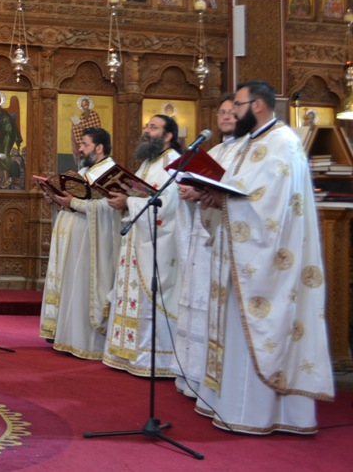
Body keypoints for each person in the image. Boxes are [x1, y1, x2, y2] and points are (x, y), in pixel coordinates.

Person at [190, 81, 333, 433]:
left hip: (268, 260)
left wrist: (223, 199)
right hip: (238, 254)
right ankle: (228, 403)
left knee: (259, 330)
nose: (232, 112)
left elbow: (271, 205)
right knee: (232, 331)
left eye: (237, 105)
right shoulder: (248, 143)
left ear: (257, 105)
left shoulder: (283, 143)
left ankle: (257, 413)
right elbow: (238, 192)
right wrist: (212, 196)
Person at [103, 114, 182, 377]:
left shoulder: (173, 163)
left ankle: (151, 358)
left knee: (152, 300)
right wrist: (123, 198)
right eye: (146, 126)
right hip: (137, 242)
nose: (146, 130)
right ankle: (126, 353)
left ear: (168, 135)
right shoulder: (148, 163)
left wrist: (128, 202)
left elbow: (167, 208)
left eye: (153, 127)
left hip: (156, 246)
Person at [172, 95, 237, 398]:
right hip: (203, 230)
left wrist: (204, 193)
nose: (225, 116)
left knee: (210, 304)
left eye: (232, 111)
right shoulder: (216, 151)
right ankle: (191, 372)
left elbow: (238, 194)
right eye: (222, 112)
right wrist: (191, 191)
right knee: (196, 299)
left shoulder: (246, 152)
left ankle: (207, 378)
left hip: (223, 237)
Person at [39, 127, 120, 358]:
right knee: (70, 286)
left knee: (82, 287)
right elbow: (72, 202)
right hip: (72, 242)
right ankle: (65, 335)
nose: (80, 149)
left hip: (90, 244)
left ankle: (84, 340)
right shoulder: (84, 171)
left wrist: (74, 202)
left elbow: (109, 207)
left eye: (84, 144)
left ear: (99, 147)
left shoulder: (110, 172)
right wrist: (56, 199)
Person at [70, 95, 101, 163]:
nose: (85, 107)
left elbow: (97, 128)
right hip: (84, 139)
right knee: (74, 125)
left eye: (86, 105)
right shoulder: (82, 116)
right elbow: (79, 128)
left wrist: (85, 128)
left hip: (93, 139)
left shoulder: (94, 115)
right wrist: (77, 125)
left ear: (89, 105)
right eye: (83, 106)